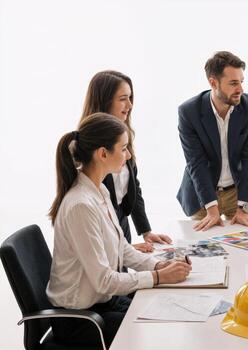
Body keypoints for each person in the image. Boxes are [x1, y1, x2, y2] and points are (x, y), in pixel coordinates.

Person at [47, 113, 191, 347]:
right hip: (81, 319)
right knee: (159, 331)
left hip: (103, 304)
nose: (129, 155)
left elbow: (122, 249)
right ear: (102, 153)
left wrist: (157, 266)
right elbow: (104, 281)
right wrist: (157, 277)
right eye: (123, 148)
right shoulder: (81, 205)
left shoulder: (100, 192)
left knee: (167, 308)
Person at [80, 70, 172, 252]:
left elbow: (133, 186)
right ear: (104, 100)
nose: (130, 105)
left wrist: (146, 230)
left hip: (121, 222)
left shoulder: (123, 133)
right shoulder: (86, 143)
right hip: (102, 230)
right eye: (123, 98)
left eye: (130, 98)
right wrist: (123, 248)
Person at [177, 51, 248, 231]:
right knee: (201, 251)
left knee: (246, 250)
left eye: (241, 81)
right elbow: (196, 162)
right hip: (203, 195)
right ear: (213, 83)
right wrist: (211, 207)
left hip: (240, 192)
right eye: (233, 83)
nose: (240, 89)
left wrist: (243, 208)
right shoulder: (189, 112)